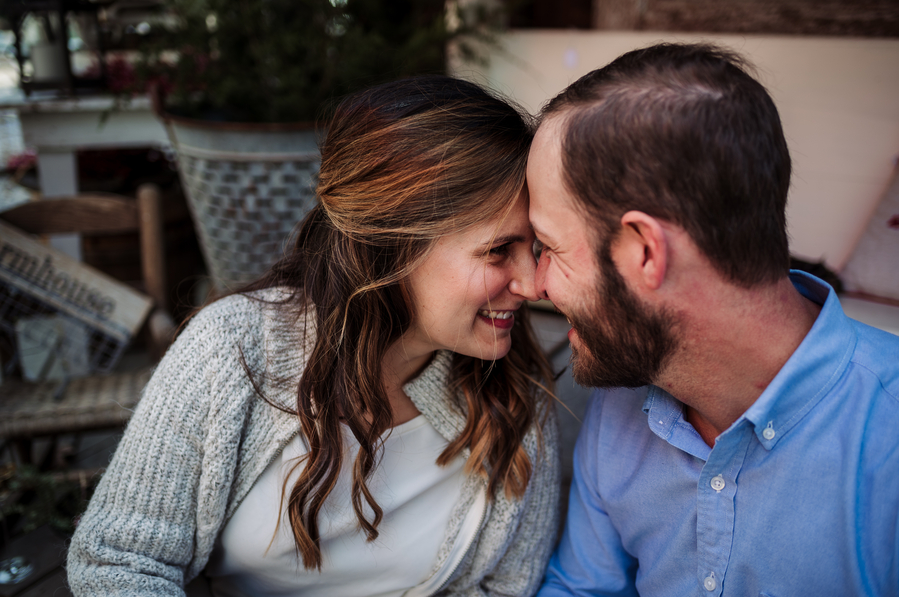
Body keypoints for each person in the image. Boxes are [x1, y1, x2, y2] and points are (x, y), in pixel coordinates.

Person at [67, 76, 561, 597]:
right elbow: (118, 562)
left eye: (536, 248)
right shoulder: (231, 350)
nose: (532, 285)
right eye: (498, 249)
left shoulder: (515, 388)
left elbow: (509, 584)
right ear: (390, 246)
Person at [528, 43, 899, 596]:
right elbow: (582, 588)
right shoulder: (620, 403)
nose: (535, 284)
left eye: (550, 248)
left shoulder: (886, 435)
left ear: (646, 253)